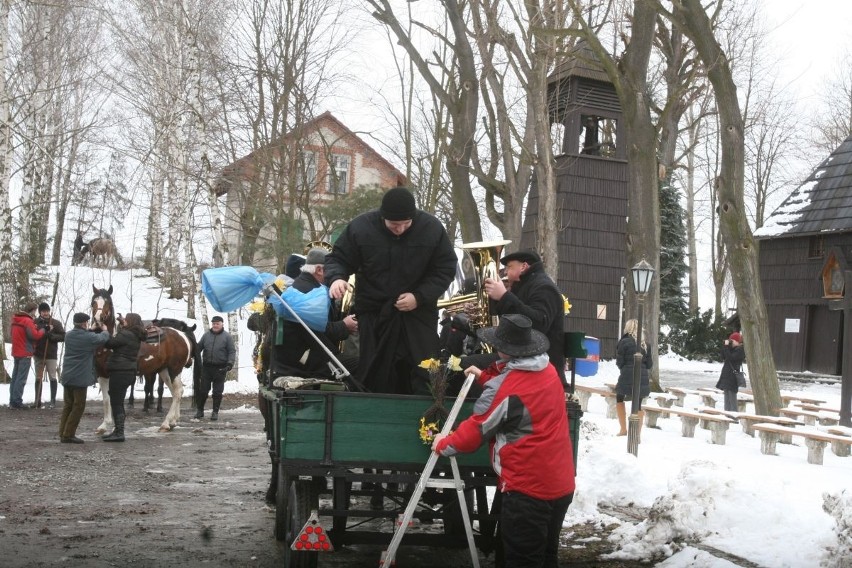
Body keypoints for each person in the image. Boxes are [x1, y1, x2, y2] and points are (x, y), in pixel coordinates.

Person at [432, 314, 575, 568]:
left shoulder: (505, 389)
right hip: (560, 484)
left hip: (528, 491)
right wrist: (488, 379)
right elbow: (519, 397)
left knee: (522, 561)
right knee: (547, 558)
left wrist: (443, 443)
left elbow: (475, 432)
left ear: (504, 349)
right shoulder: (548, 370)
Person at [324, 186, 457, 394]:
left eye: (406, 224)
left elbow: (445, 268)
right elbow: (338, 258)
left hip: (418, 314)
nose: (401, 229)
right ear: (383, 217)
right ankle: (377, 416)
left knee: (423, 371)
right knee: (376, 371)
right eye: (395, 225)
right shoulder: (361, 227)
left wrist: (419, 296)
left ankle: (427, 419)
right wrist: (336, 278)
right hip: (376, 315)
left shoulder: (431, 228)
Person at [483, 250, 568, 390]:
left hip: (538, 366)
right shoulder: (523, 287)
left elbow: (538, 324)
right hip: (521, 359)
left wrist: (504, 297)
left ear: (523, 267)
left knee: (465, 365)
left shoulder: (544, 287)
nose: (505, 272)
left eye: (509, 267)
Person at [272, 247, 358, 380]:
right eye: (331, 270)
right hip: (304, 363)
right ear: (319, 270)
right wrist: (344, 325)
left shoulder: (302, 286)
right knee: (363, 364)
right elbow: (320, 330)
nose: (336, 275)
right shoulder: (310, 292)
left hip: (299, 358)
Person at [58, 313, 109, 443]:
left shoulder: (68, 335)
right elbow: (102, 338)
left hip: (68, 375)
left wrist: (90, 330)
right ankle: (68, 435)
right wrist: (105, 330)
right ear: (83, 323)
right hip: (79, 377)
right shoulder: (88, 337)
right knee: (78, 406)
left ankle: (62, 432)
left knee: (68, 405)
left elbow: (86, 337)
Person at [102, 313, 145, 442]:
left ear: (130, 322)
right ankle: (117, 430)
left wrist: (105, 332)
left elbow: (110, 343)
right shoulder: (135, 334)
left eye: (126, 319)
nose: (124, 320)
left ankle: (119, 432)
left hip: (120, 371)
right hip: (128, 371)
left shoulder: (126, 334)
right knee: (118, 402)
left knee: (116, 402)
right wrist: (122, 325)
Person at [614, 318, 652, 437]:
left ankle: (623, 429)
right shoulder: (645, 344)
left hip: (626, 374)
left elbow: (619, 362)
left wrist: (624, 369)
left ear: (627, 328)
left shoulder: (623, 342)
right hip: (642, 376)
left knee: (619, 397)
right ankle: (636, 434)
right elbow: (649, 364)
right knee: (638, 403)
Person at [196, 315, 236, 420]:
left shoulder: (227, 337)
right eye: (213, 323)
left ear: (222, 324)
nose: (215, 325)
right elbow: (198, 348)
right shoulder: (206, 336)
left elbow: (232, 351)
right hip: (206, 368)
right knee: (203, 390)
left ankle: (215, 412)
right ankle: (200, 410)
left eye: (217, 323)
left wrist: (229, 364)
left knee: (217, 392)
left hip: (220, 369)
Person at [9, 302, 46, 409]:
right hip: (25, 352)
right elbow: (35, 335)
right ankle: (17, 402)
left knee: (15, 378)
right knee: (21, 378)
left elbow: (12, 334)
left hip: (16, 351)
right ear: (33, 310)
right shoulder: (27, 321)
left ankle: (13, 400)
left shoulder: (15, 320)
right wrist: (44, 330)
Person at [33, 302, 66, 408]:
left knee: (52, 377)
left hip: (51, 354)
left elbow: (63, 336)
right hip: (38, 354)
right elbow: (33, 336)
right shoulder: (35, 322)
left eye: (47, 311)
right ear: (40, 312)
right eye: (43, 311)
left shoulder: (55, 323)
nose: (46, 313)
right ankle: (37, 400)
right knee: (38, 377)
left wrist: (52, 336)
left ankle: (53, 401)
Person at [716, 331, 745, 412]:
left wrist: (726, 347)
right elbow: (723, 356)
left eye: (733, 340)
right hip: (726, 375)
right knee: (726, 397)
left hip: (733, 376)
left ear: (738, 341)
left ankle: (734, 416)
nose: (731, 342)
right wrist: (725, 346)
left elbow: (731, 358)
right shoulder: (731, 349)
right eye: (730, 340)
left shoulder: (740, 350)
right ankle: (727, 414)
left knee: (732, 397)